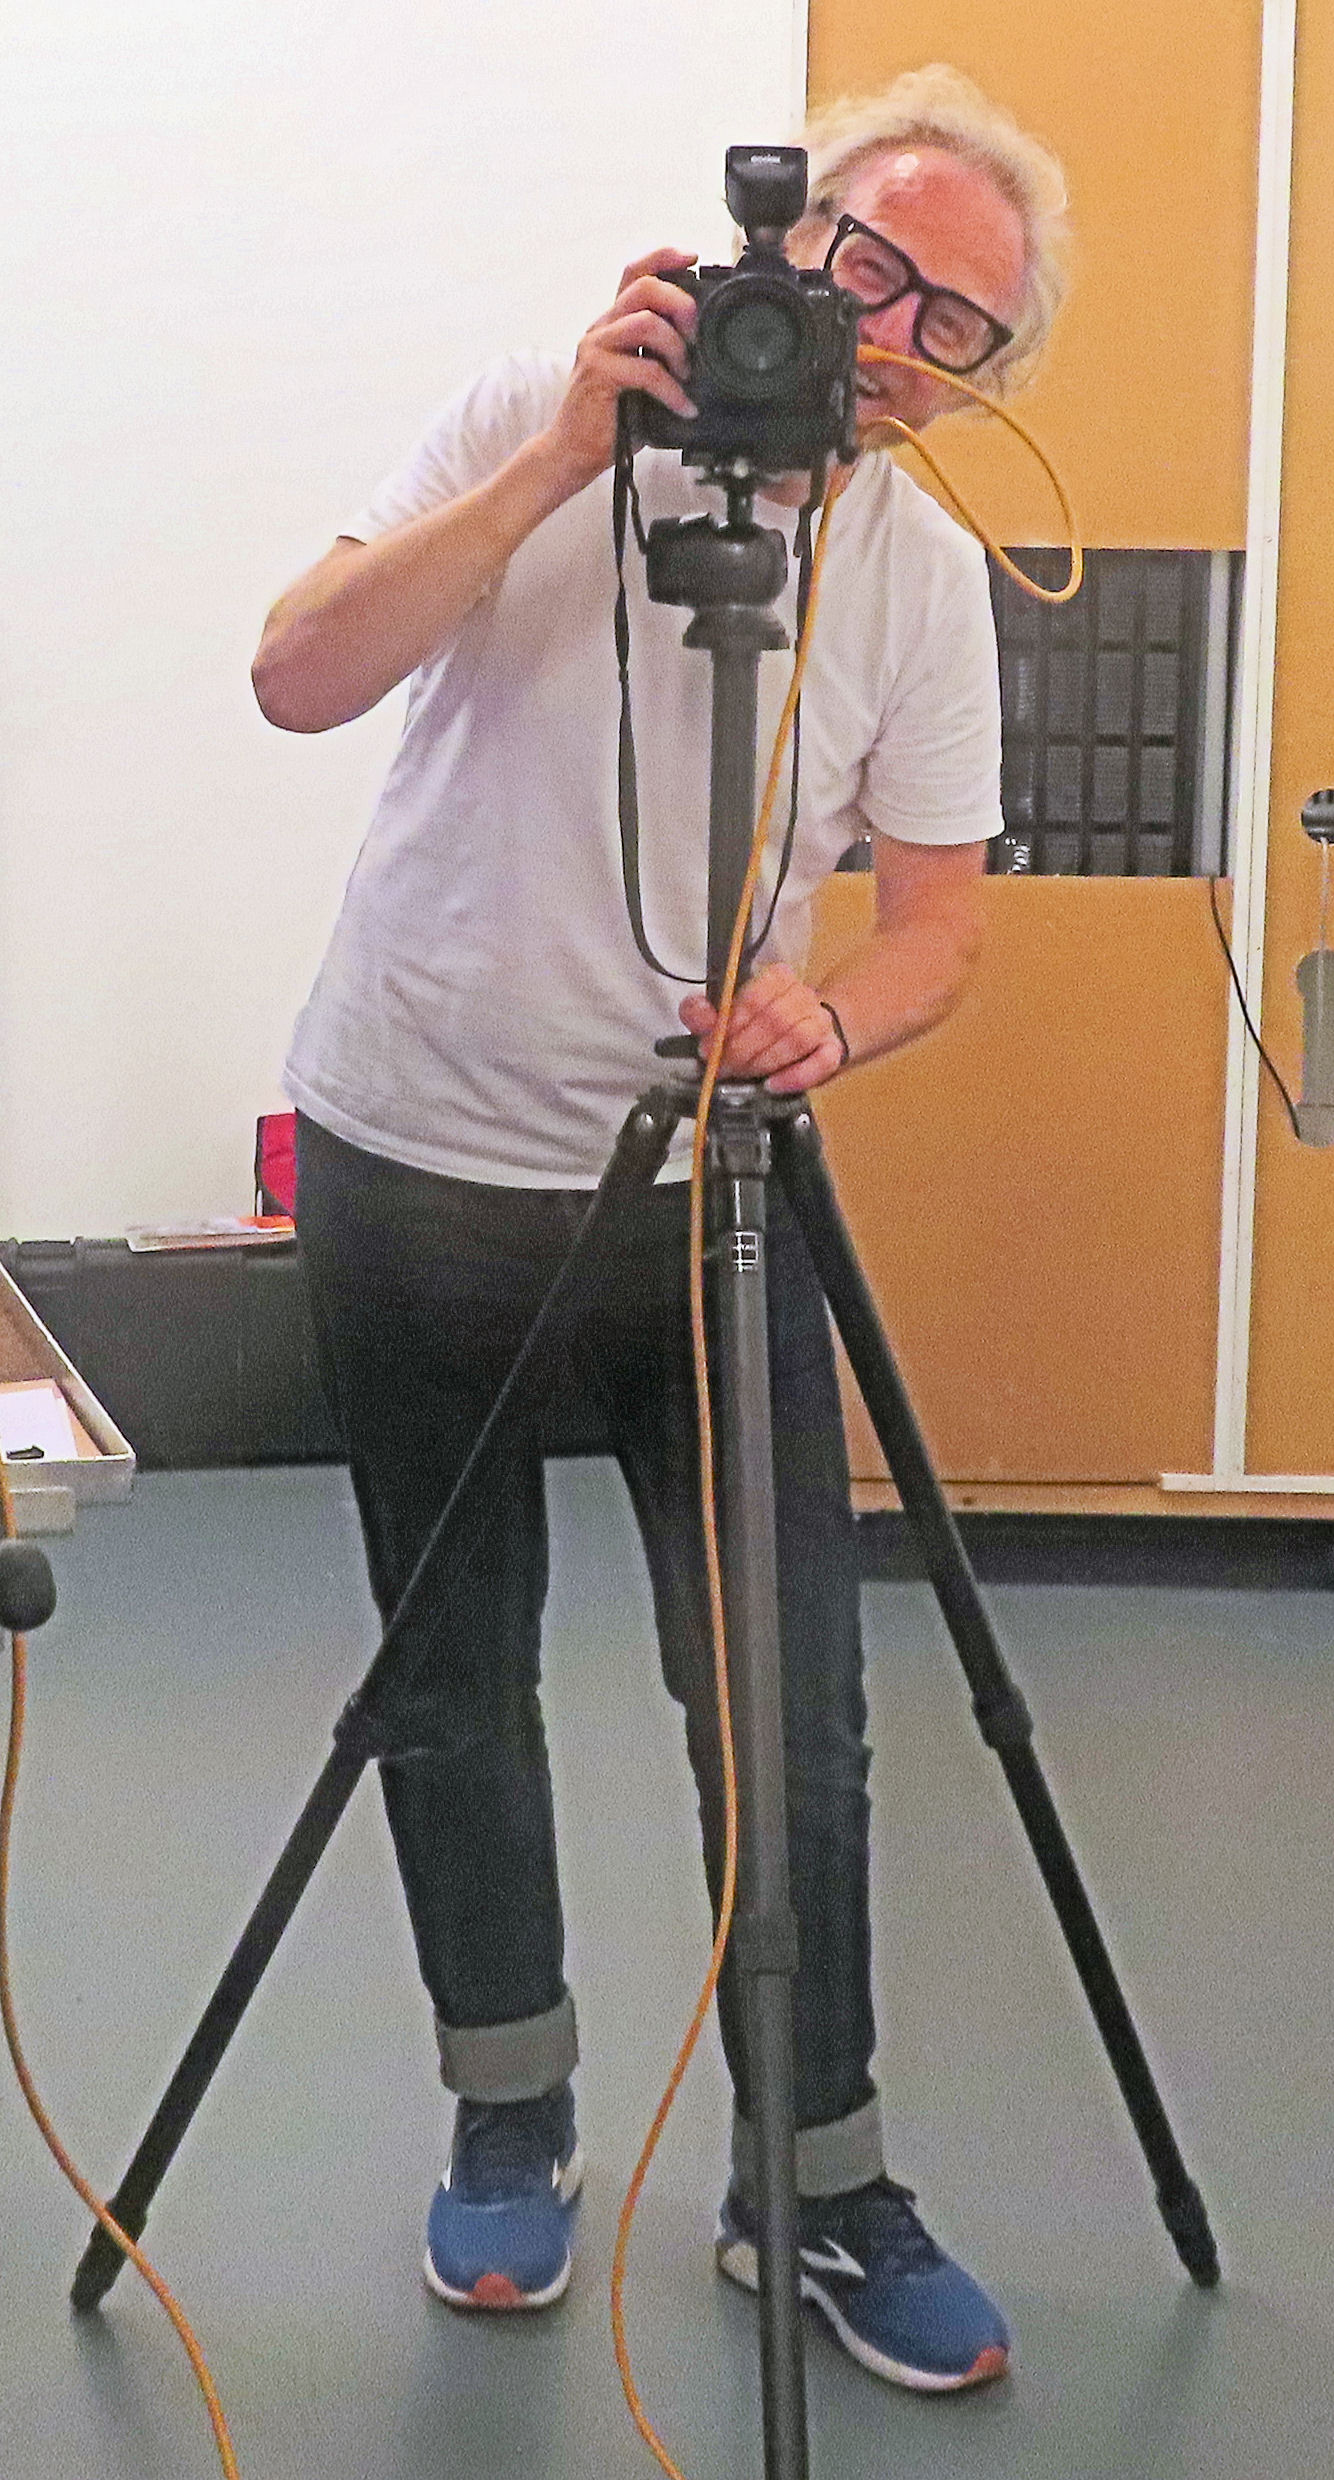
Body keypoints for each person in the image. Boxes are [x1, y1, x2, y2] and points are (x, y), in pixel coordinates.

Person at [252, 64, 1068, 2394]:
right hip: (414, 1151)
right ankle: (506, 2114)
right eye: (874, 268)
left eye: (962, 330)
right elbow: (297, 672)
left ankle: (816, 2180)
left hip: (706, 1193)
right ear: (781, 251)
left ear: (974, 389)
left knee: (791, 1701)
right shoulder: (538, 409)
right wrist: (549, 467)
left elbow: (936, 933)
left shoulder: (909, 582)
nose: (896, 334)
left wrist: (835, 1015)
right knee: (446, 1671)